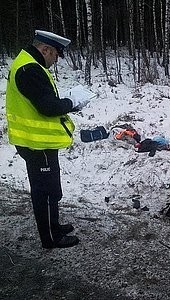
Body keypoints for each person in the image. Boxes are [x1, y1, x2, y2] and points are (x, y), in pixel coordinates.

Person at [5, 30, 87, 248]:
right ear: (46, 50)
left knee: (49, 187)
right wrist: (72, 103)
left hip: (38, 143)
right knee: (46, 191)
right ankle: (51, 237)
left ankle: (54, 226)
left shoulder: (28, 63)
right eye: (55, 56)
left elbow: (42, 100)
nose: (55, 61)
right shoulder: (30, 69)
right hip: (35, 143)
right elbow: (47, 107)